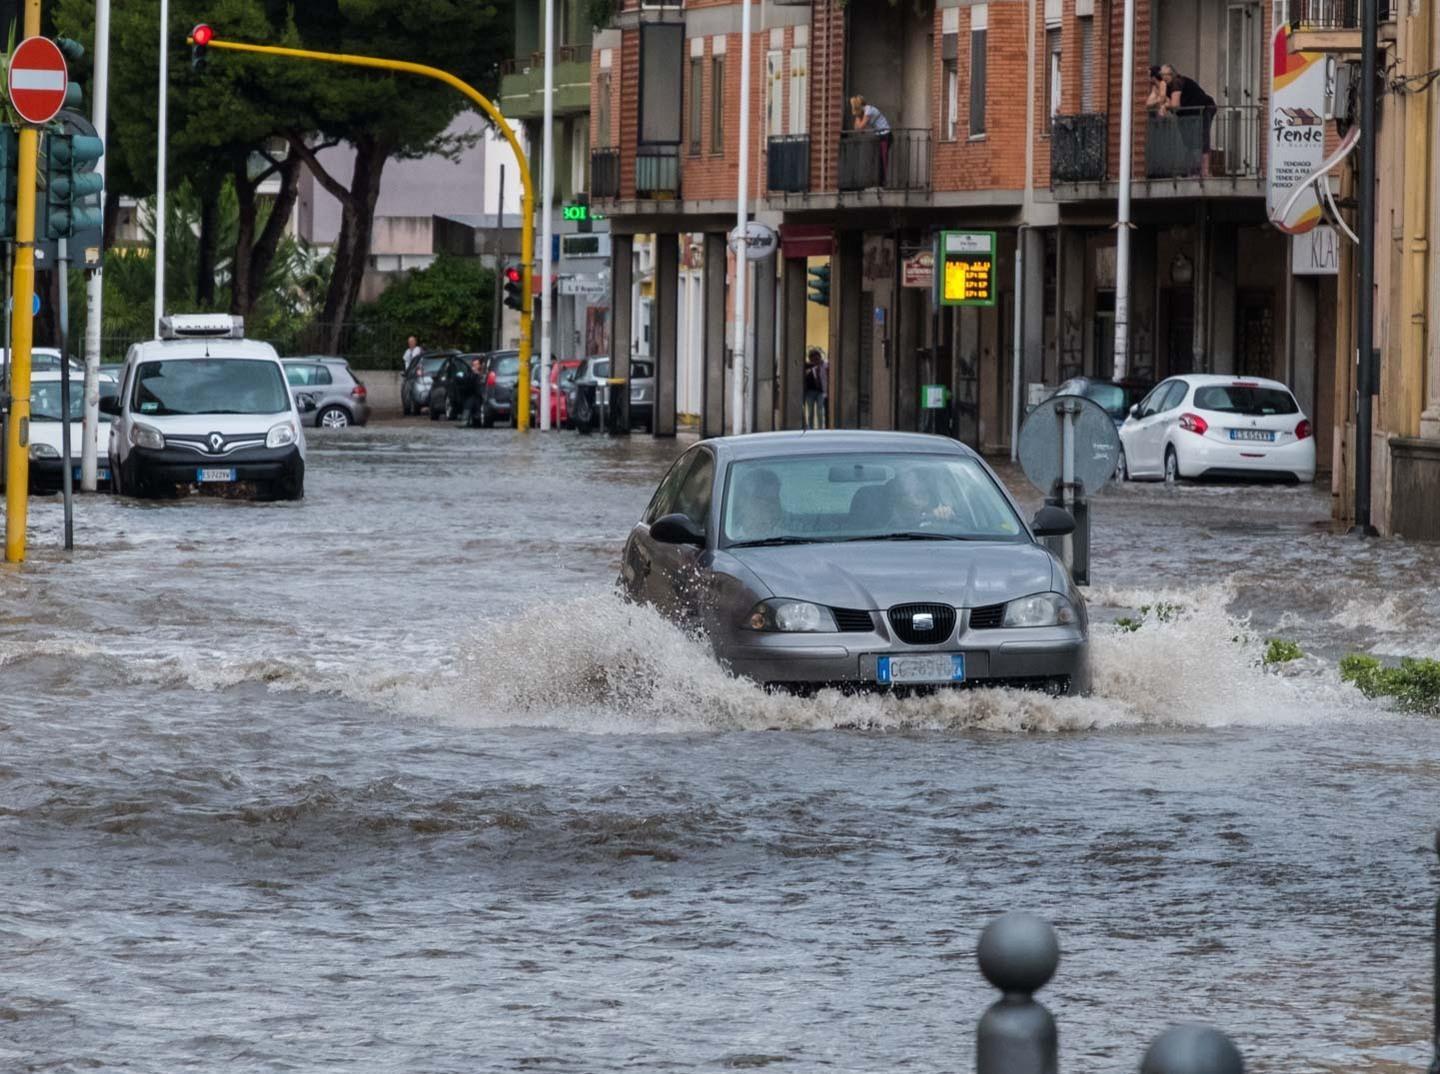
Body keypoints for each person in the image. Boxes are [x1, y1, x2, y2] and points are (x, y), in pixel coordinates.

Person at [1160, 64, 1217, 175]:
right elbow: (1165, 101)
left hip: (1205, 108)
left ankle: (1205, 171)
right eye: (1162, 75)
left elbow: (1175, 105)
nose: (1165, 77)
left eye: (1167, 74)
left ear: (1173, 74)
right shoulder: (1167, 86)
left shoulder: (1177, 82)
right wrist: (1163, 103)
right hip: (1189, 113)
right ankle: (1192, 169)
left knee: (1203, 138)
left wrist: (1165, 106)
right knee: (1189, 141)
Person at [891, 468, 956, 529]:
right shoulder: (892, 522)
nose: (914, 501)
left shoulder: (939, 514)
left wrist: (945, 516)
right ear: (899, 499)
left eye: (920, 494)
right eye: (906, 495)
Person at [730, 468, 784, 541]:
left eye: (775, 499)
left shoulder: (790, 540)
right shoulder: (727, 537)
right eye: (762, 498)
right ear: (742, 501)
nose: (772, 506)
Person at [849, 95, 893, 185]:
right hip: (879, 136)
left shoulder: (868, 110)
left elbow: (861, 127)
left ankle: (883, 182)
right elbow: (857, 129)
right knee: (878, 159)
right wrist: (858, 116)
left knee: (883, 159)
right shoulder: (864, 112)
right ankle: (879, 181)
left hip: (885, 135)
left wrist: (858, 117)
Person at [803, 349, 828, 430]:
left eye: (817, 359)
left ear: (820, 357)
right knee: (810, 411)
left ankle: (820, 428)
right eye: (813, 360)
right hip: (810, 392)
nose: (816, 361)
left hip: (821, 391)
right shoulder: (808, 367)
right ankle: (811, 428)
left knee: (820, 410)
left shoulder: (825, 365)